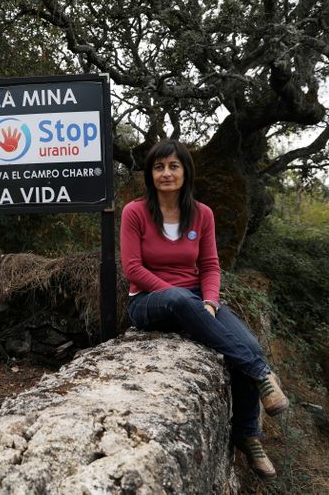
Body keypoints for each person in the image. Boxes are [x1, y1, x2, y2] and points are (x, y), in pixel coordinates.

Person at [119, 140, 288, 479]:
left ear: (185, 171)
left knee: (247, 347)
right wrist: (186, 300)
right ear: (151, 174)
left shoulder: (202, 214)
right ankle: (261, 374)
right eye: (158, 167)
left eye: (173, 166)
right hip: (148, 301)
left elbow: (210, 266)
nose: (166, 173)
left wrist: (209, 302)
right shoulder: (134, 212)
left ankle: (247, 434)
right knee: (183, 302)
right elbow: (133, 270)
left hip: (197, 297)